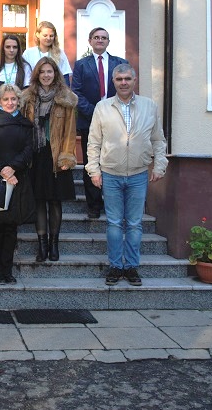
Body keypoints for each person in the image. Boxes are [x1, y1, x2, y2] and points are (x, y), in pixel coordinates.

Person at [85, 64, 167, 287]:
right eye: (119, 79)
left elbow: (158, 139)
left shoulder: (149, 106)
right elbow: (93, 142)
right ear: (113, 81)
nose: (123, 83)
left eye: (127, 79)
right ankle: (115, 266)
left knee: (134, 224)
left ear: (134, 81)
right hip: (110, 173)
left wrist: (160, 165)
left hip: (138, 174)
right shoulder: (102, 107)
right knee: (113, 223)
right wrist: (94, 170)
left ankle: (131, 266)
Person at [21, 57, 78, 262]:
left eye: (50, 71)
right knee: (38, 201)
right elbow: (22, 128)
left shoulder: (66, 98)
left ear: (56, 74)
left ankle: (54, 244)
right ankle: (42, 245)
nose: (46, 75)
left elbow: (70, 131)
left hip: (56, 155)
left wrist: (66, 156)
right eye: (42, 72)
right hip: (35, 156)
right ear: (37, 74)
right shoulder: (27, 97)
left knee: (54, 201)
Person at [0, 84, 36, 283]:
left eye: (13, 99)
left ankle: (7, 269)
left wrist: (13, 168)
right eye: (6, 99)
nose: (10, 103)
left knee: (11, 228)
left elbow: (28, 150)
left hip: (17, 179)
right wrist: (3, 170)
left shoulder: (25, 124)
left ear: (18, 101)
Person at [71, 27, 128, 218]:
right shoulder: (81, 65)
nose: (100, 40)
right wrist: (95, 111)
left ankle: (113, 203)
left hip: (116, 121)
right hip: (89, 120)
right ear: (90, 41)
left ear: (108, 42)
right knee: (92, 162)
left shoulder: (121, 63)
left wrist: (110, 112)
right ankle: (94, 205)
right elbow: (76, 92)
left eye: (104, 38)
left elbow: (125, 89)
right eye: (96, 37)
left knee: (114, 161)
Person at [22, 21, 72, 86]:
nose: (48, 38)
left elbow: (65, 76)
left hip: (55, 90)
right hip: (34, 89)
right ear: (37, 34)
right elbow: (25, 76)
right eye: (45, 35)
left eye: (51, 36)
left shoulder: (60, 53)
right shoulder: (28, 53)